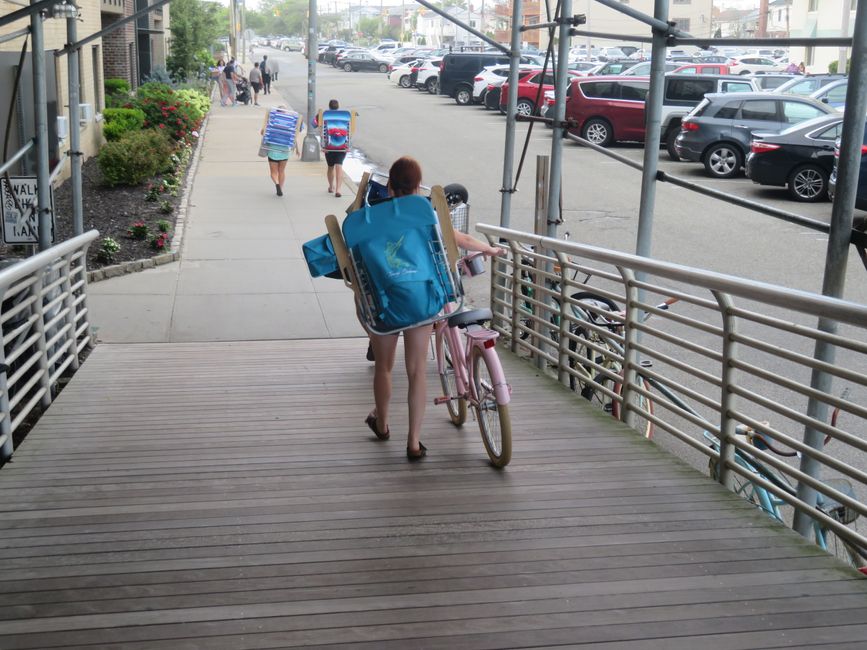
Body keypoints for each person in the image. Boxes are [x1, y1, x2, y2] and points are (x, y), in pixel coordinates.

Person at [365, 156, 503, 461]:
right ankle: (414, 442)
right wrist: (488, 248)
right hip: (420, 300)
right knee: (416, 372)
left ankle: (383, 424)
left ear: (389, 187)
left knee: (384, 369)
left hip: (385, 302)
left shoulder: (371, 218)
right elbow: (459, 239)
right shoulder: (425, 214)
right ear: (417, 186)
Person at [260, 106, 299, 196]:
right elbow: (294, 137)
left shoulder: (272, 123)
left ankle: (277, 184)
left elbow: (263, 133)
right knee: (281, 171)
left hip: (273, 151)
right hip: (284, 152)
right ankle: (280, 188)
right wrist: (297, 149)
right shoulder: (288, 125)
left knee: (273, 173)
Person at [316, 99, 350, 197]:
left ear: (329, 106)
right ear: (338, 106)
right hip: (342, 145)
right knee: (339, 166)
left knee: (330, 167)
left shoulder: (323, 115)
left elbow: (313, 124)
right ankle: (338, 190)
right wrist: (348, 145)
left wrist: (318, 116)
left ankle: (331, 186)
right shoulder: (346, 115)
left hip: (328, 146)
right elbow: (350, 130)